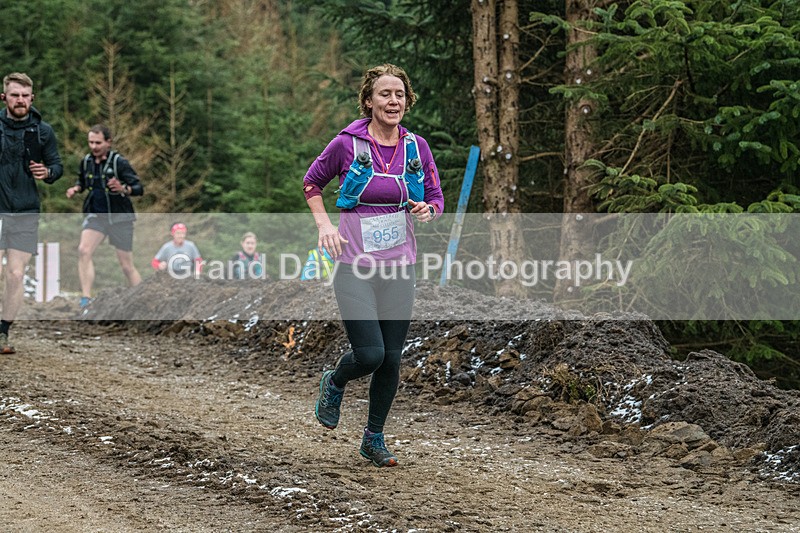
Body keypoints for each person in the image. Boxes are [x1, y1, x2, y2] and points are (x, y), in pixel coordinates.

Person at [304, 64, 443, 467]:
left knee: (393, 357)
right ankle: (334, 381)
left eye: (399, 94)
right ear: (369, 100)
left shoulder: (417, 148)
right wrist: (325, 225)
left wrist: (427, 210)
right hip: (355, 267)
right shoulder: (347, 144)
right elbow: (312, 183)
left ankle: (373, 438)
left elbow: (435, 196)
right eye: (385, 94)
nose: (393, 101)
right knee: (370, 354)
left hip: (400, 267)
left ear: (407, 100)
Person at [0, 72, 63, 354]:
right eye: (15, 95)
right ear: (4, 97)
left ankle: (3, 333)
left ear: (32, 98)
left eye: (25, 96)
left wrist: (47, 172)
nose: (21, 100)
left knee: (15, 275)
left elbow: (57, 168)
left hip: (26, 211)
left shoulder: (43, 131)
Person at [66, 124, 144, 308]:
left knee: (126, 266)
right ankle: (85, 299)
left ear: (108, 142)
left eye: (98, 143)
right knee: (83, 250)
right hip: (96, 216)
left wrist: (124, 188)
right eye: (91, 142)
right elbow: (83, 180)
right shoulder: (86, 161)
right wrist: (76, 188)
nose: (93, 146)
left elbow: (139, 188)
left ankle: (143, 300)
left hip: (120, 218)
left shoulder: (119, 163)